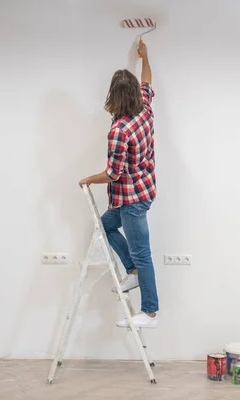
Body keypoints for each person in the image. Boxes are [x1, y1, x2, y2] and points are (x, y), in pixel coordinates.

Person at [78, 43, 159, 329]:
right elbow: (148, 79)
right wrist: (145, 57)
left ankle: (149, 313)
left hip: (131, 201)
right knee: (105, 226)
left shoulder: (119, 131)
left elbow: (113, 174)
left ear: (114, 95)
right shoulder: (145, 107)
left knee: (143, 252)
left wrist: (87, 179)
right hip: (144, 191)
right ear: (134, 93)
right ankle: (133, 271)